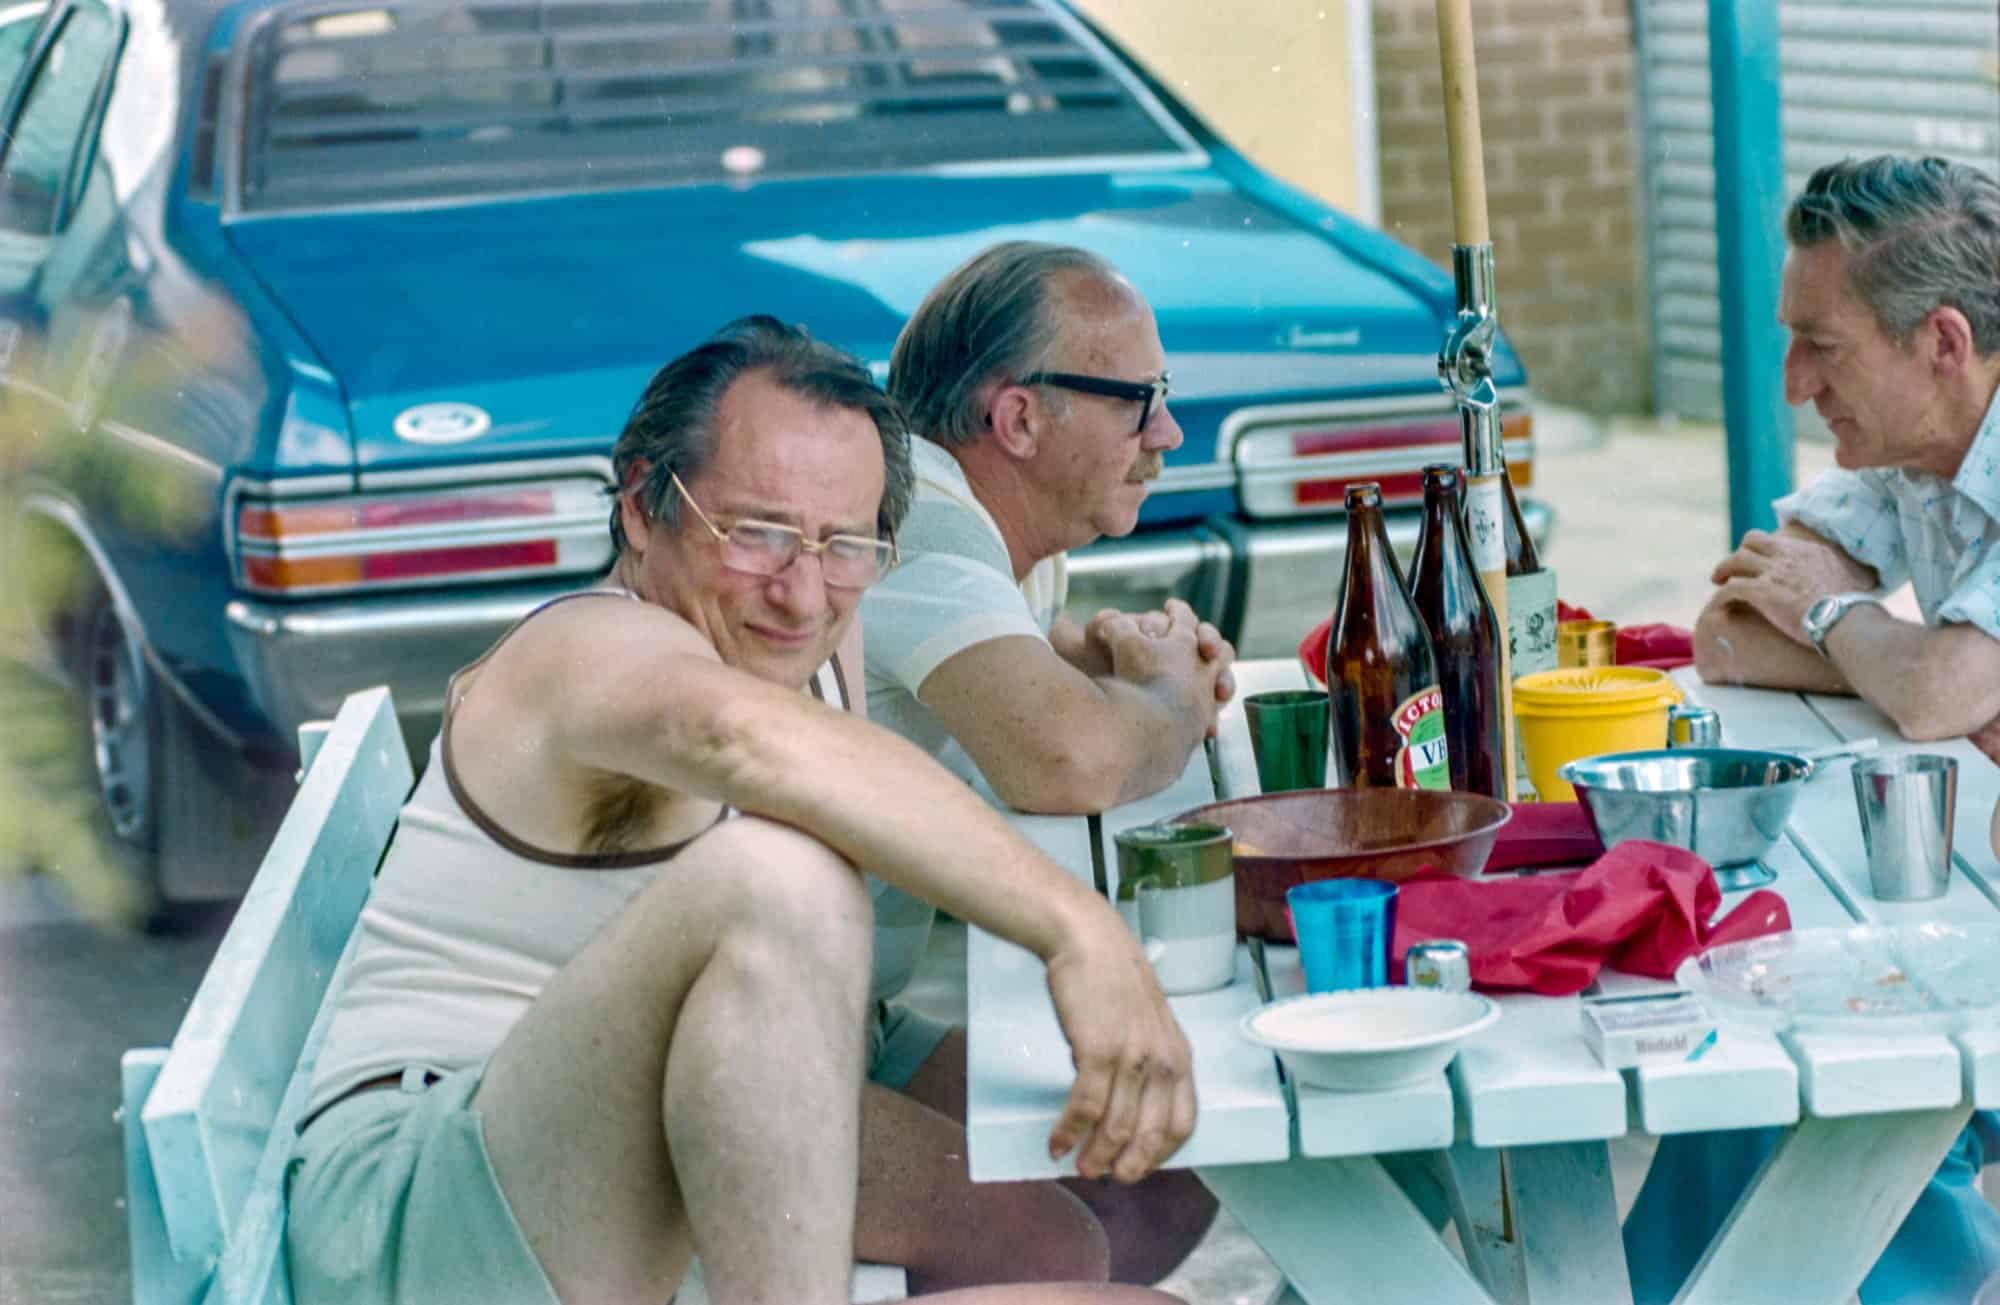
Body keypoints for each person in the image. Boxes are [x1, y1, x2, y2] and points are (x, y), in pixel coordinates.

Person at [281, 316, 1194, 1305]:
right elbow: (734, 736)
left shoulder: (804, 630)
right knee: (776, 883)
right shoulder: (588, 648)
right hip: (428, 1192)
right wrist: (1078, 931)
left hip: (677, 1095)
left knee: (1122, 1188)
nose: (800, 594)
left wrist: (1091, 654)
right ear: (641, 506)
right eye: (755, 532)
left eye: (846, 543)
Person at [1639, 154, 2000, 1305]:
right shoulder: (1917, 451)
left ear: (1940, 342)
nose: (1793, 385)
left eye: (1820, 346)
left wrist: (1851, 626)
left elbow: (1934, 692)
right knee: (1748, 1066)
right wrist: (1910, 665)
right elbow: (1728, 633)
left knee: (1840, 1073)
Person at [847, 242, 1232, 1289]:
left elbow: (1048, 690)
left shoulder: (992, 533)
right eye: (1139, 402)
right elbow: (1067, 758)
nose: (1167, 433)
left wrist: (1121, 668)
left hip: (847, 1019)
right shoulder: (917, 522)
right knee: (1062, 1242)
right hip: (754, 1047)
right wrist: (1170, 700)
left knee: (1164, 1154)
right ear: (1016, 419)